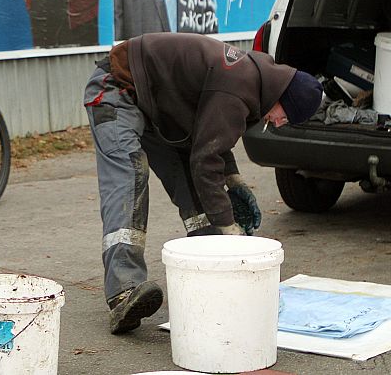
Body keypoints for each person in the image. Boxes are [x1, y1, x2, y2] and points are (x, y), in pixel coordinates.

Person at [83, 32, 323, 334]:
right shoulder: (240, 85)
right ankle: (124, 291)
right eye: (285, 116)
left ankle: (212, 277)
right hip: (117, 86)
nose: (278, 123)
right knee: (130, 176)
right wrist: (229, 228)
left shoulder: (255, 83)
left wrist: (235, 183)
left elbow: (214, 139)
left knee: (193, 188)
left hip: (157, 109)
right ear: (283, 98)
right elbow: (206, 161)